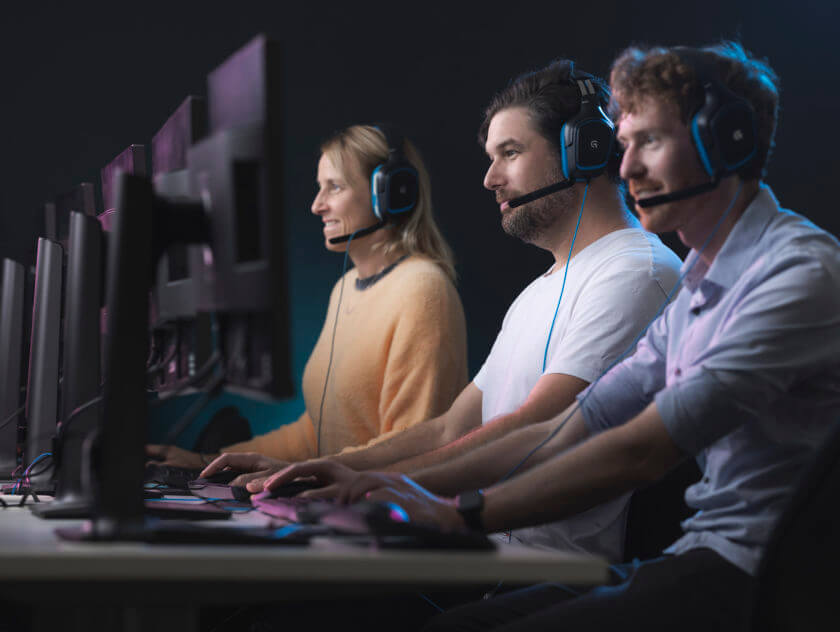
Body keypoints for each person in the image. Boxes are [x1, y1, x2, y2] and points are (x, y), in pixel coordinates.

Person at [280, 42, 840, 632]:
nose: (625, 169)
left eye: (650, 141)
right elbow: (577, 422)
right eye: (624, 146)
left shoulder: (794, 274)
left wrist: (463, 513)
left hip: (762, 579)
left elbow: (641, 449)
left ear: (727, 140)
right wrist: (385, 483)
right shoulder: (704, 281)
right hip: (699, 556)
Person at [205, 61, 682, 562]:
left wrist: (376, 482)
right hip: (485, 550)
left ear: (582, 150)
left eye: (510, 153)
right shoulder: (538, 293)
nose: (489, 179)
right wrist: (323, 468)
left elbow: (540, 424)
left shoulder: (634, 272)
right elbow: (450, 427)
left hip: (547, 569)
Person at [147, 125, 469, 467]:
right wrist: (206, 461)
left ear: (390, 194)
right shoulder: (345, 288)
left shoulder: (422, 290)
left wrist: (299, 474)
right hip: (336, 499)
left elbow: (412, 448)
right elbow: (315, 433)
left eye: (335, 187)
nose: (317, 206)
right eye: (320, 188)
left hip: (384, 508)